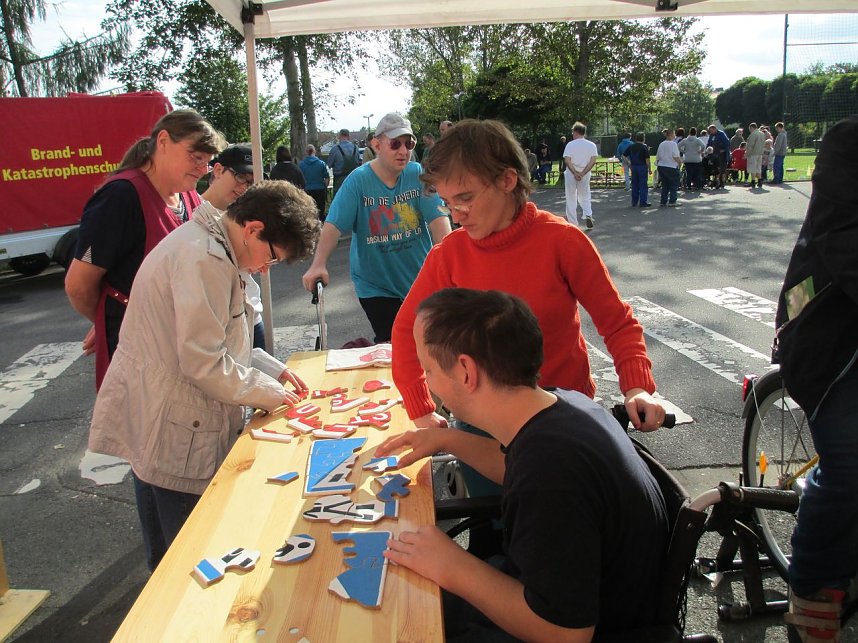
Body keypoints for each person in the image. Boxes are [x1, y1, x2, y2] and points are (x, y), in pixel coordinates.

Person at [391, 119, 665, 501]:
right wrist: (421, 408)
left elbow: (617, 322)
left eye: (465, 198)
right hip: (482, 424)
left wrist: (637, 387)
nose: (456, 214)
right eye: (447, 203)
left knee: (555, 519)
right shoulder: (449, 255)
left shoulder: (562, 241)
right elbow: (406, 329)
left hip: (560, 417)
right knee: (493, 521)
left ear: (507, 180)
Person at [377, 288, 670, 642]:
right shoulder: (562, 406)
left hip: (583, 626)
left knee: (399, 617)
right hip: (575, 589)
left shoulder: (551, 475)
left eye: (429, 370)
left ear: (466, 371)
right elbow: (513, 464)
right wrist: (447, 440)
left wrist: (451, 565)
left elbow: (567, 634)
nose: (428, 381)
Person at [88, 180, 320, 571]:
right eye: (272, 257)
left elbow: (223, 339)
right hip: (176, 427)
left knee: (167, 552)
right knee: (188, 559)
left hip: (165, 414)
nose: (266, 269)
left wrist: (272, 369)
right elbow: (204, 362)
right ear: (252, 229)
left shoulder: (212, 245)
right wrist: (268, 391)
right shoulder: (205, 259)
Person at [65, 109, 225, 390]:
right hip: (140, 350)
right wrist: (106, 319)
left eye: (207, 162)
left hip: (181, 342)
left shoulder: (188, 195)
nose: (202, 169)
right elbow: (78, 286)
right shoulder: (120, 197)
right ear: (163, 141)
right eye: (195, 157)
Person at [774, 116, 858, 643]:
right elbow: (843, 240)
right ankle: (812, 591)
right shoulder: (848, 143)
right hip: (829, 334)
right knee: (851, 461)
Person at [301, 113, 451, 343]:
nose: (403, 151)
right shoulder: (358, 181)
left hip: (419, 279)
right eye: (395, 144)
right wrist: (318, 264)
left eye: (409, 144)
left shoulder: (417, 175)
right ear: (376, 144)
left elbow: (438, 221)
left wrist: (450, 262)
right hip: (375, 286)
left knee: (430, 342)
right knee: (394, 343)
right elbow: (333, 225)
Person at [199, 143, 267, 350]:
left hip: (251, 315)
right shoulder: (193, 215)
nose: (244, 187)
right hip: (214, 323)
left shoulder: (249, 215)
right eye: (240, 177)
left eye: (252, 182)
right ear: (218, 170)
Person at [563, 122, 599, 229]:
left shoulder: (570, 144)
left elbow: (567, 160)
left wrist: (575, 172)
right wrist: (583, 173)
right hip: (585, 173)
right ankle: (588, 214)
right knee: (585, 195)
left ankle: (573, 222)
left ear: (576, 132)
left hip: (571, 173)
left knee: (571, 197)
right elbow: (593, 161)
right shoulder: (591, 145)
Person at [299, 144, 330, 221]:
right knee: (320, 211)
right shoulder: (321, 163)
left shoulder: (301, 165)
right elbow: (326, 178)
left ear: (306, 152)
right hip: (320, 189)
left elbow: (299, 179)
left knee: (308, 211)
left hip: (307, 190)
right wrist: (325, 187)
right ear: (314, 151)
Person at [327, 128, 360, 195]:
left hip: (339, 181)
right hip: (354, 179)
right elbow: (358, 161)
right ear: (349, 136)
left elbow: (329, 165)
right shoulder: (355, 148)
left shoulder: (335, 149)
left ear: (339, 136)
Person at [623, 132, 651, 207]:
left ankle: (634, 202)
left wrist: (629, 163)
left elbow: (624, 155)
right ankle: (643, 202)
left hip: (634, 167)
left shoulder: (631, 146)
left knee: (635, 184)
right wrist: (649, 169)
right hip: (642, 167)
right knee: (643, 185)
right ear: (643, 138)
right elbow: (647, 160)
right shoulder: (644, 147)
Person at [655, 129, 682, 207]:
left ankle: (663, 201)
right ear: (671, 134)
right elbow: (675, 156)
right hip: (671, 166)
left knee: (665, 185)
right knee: (674, 184)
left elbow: (658, 156)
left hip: (662, 166)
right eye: (674, 134)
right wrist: (680, 163)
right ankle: (672, 201)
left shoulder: (661, 144)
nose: (675, 136)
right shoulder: (673, 144)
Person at [679, 127, 705, 191]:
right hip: (696, 158)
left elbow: (678, 146)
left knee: (689, 173)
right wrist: (700, 151)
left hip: (687, 158)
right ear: (696, 132)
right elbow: (703, 146)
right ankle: (697, 186)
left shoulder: (685, 140)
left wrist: (683, 151)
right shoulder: (697, 140)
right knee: (697, 173)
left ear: (689, 132)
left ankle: (689, 186)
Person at [707, 124, 731, 189]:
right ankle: (716, 182)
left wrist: (724, 150)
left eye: (711, 131)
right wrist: (708, 150)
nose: (711, 132)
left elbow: (727, 143)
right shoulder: (711, 135)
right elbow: (709, 143)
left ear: (715, 129)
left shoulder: (721, 134)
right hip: (714, 154)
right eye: (710, 131)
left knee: (722, 169)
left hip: (722, 154)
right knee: (716, 168)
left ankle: (722, 182)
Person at [745, 122, 765, 189]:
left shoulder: (753, 134)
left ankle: (753, 181)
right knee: (758, 168)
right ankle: (759, 181)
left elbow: (750, 145)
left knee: (752, 167)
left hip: (753, 153)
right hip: (760, 153)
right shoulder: (762, 134)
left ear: (751, 128)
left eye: (750, 129)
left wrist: (747, 154)